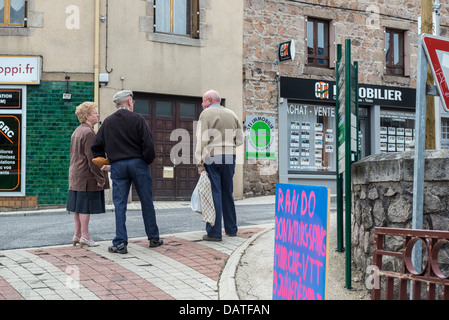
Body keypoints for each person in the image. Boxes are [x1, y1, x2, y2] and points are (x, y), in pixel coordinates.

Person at [91, 90, 162, 254]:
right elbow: (149, 145)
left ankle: (120, 242)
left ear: (117, 104)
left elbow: (96, 147)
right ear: (129, 102)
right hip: (138, 164)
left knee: (120, 204)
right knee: (146, 201)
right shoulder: (137, 119)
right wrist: (145, 161)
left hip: (117, 166)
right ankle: (153, 238)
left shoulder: (107, 122)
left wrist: (105, 165)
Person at [195, 90, 244, 241]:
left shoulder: (206, 115)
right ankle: (231, 229)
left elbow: (201, 141)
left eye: (203, 101)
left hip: (212, 157)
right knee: (227, 193)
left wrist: (200, 164)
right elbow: (240, 140)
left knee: (214, 193)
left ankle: (214, 233)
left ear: (209, 101)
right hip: (230, 157)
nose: (202, 104)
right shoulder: (232, 114)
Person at [67, 102, 110, 248]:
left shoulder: (77, 131)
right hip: (86, 176)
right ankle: (85, 236)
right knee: (85, 207)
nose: (97, 115)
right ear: (87, 116)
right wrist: (101, 178)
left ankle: (77, 234)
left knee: (78, 206)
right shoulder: (89, 133)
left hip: (75, 175)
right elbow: (92, 159)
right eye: (95, 113)